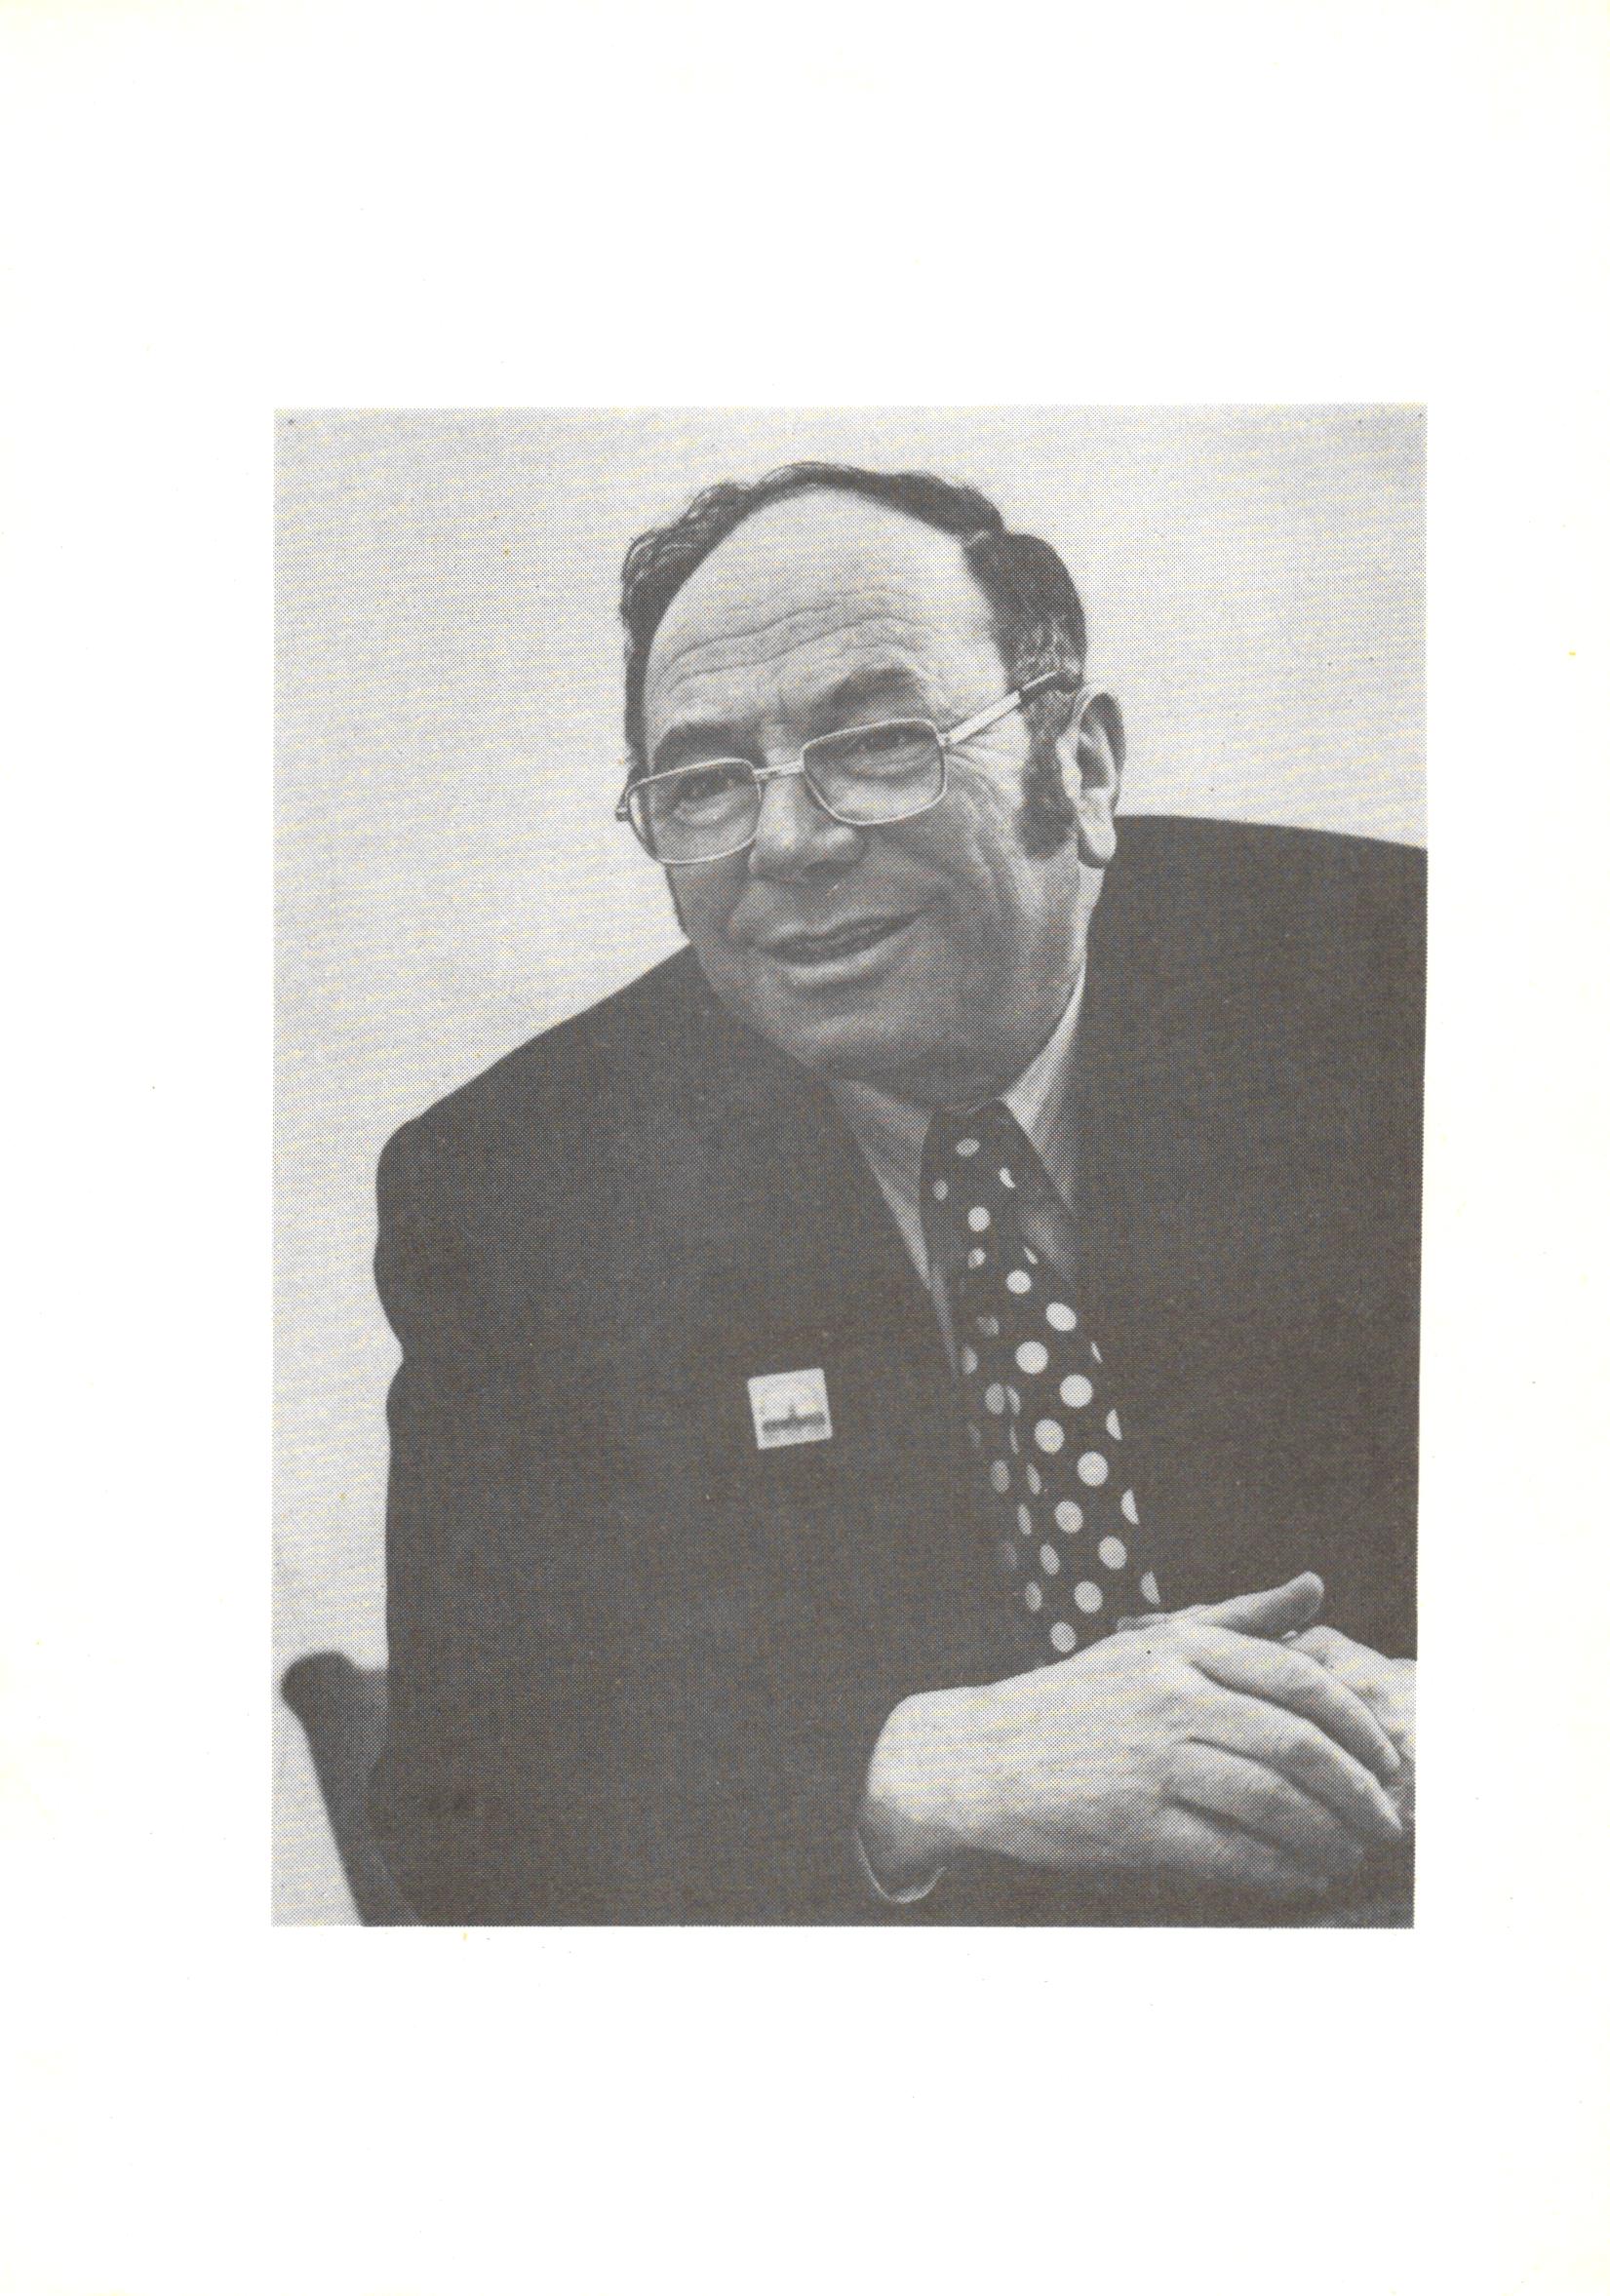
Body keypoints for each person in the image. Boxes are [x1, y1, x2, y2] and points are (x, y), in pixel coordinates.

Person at [369, 461, 1421, 1926]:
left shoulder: (1414, 990)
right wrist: (922, 1770)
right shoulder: (525, 1189)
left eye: (876, 744)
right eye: (705, 782)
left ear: (1083, 769)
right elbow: (469, 1805)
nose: (788, 843)